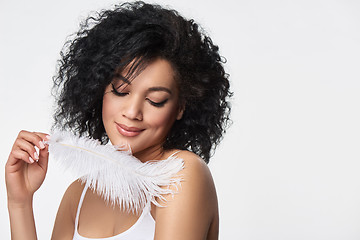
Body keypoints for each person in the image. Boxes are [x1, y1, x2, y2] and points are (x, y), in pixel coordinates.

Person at [5, 1, 231, 239]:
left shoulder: (180, 175)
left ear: (180, 107)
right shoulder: (78, 195)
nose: (132, 112)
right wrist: (19, 203)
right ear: (98, 88)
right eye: (121, 91)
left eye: (155, 100)